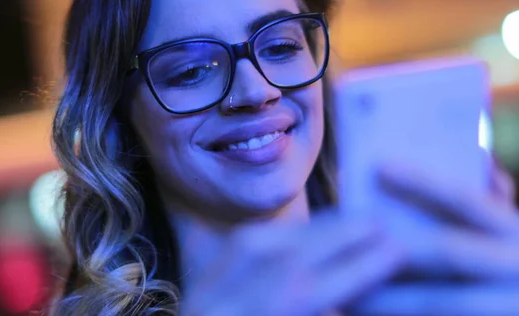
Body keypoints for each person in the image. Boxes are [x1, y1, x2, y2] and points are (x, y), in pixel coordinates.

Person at [49, 0, 519, 314]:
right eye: (191, 71)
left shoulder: (431, 291)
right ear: (117, 119)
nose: (257, 91)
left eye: (279, 46)